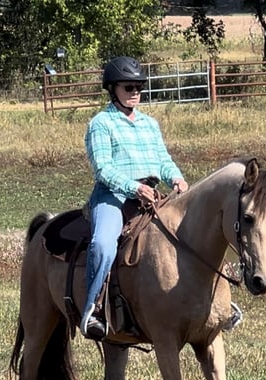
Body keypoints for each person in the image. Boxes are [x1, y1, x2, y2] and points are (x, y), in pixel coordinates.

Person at [80, 56, 189, 339]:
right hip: (113, 197)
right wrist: (134, 187)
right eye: (129, 87)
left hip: (151, 195)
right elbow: (103, 168)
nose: (135, 92)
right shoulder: (101, 124)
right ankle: (93, 309)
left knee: (196, 229)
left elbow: (163, 160)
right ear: (112, 88)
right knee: (103, 244)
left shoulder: (149, 124)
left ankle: (212, 303)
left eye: (139, 86)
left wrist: (176, 177)